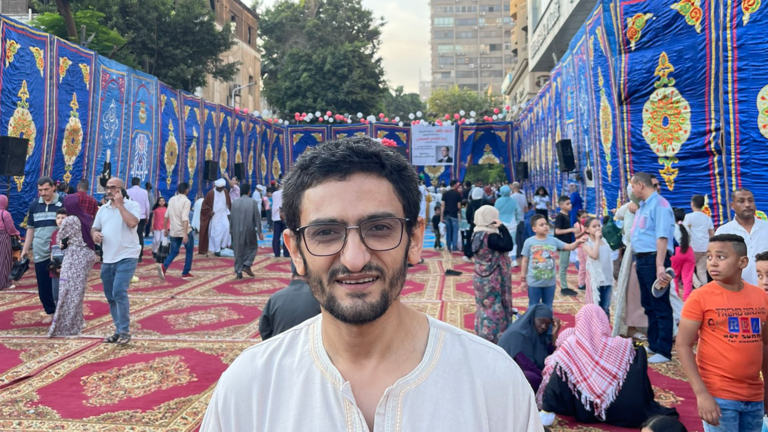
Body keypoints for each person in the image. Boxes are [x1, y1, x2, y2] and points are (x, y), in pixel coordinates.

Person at [201, 137, 542, 431]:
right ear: (295, 251)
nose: (354, 259)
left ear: (414, 240)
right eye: (325, 233)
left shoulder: (494, 382)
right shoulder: (250, 387)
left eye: (379, 228)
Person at [678, 234, 768, 431]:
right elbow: (683, 345)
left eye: (721, 257)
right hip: (719, 395)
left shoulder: (761, 297)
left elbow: (764, 344)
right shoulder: (700, 297)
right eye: (709, 257)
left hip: (755, 396)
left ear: (742, 262)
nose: (713, 262)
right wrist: (702, 394)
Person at [538, 304, 677, 428]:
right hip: (626, 412)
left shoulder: (571, 347)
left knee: (562, 367)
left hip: (586, 411)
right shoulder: (624, 346)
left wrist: (547, 408)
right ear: (603, 322)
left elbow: (556, 383)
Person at [630, 172, 675, 364]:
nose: (632, 190)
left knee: (660, 305)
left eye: (633, 186)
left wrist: (659, 265)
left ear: (640, 185)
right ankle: (655, 343)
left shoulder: (660, 205)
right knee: (648, 304)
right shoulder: (643, 205)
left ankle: (664, 350)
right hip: (643, 259)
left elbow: (662, 237)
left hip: (654, 259)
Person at [92, 178, 141, 345]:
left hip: (127, 255)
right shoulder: (103, 209)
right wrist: (94, 234)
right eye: (107, 188)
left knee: (119, 291)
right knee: (110, 296)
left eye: (113, 188)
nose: (109, 191)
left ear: (122, 190)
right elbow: (95, 227)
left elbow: (132, 223)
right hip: (108, 257)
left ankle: (124, 331)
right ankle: (118, 329)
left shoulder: (132, 205)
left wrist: (120, 205)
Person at [48, 195, 97, 337]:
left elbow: (59, 239)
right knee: (78, 291)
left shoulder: (70, 220)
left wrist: (66, 243)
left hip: (75, 256)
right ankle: (76, 323)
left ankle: (65, 327)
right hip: (87, 255)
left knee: (67, 291)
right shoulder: (86, 217)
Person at [21, 177, 63, 323]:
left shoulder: (62, 203)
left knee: (59, 284)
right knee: (43, 285)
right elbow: (31, 229)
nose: (43, 193)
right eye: (40, 190)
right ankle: (50, 312)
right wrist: (25, 248)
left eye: (46, 189)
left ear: (53, 187)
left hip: (57, 252)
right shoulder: (34, 205)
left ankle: (62, 312)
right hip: (39, 251)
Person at [521, 214, 585, 309]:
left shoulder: (554, 241)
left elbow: (569, 246)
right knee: (533, 306)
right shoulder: (529, 242)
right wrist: (523, 279)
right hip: (534, 282)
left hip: (550, 283)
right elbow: (525, 261)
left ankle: (547, 319)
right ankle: (533, 319)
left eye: (546, 224)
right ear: (534, 229)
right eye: (541, 225)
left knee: (548, 307)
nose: (545, 226)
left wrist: (578, 242)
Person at [471, 205, 514, 343]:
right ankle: (495, 337)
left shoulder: (476, 234)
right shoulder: (491, 237)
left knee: (483, 306)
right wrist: (502, 227)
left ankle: (482, 332)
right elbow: (508, 245)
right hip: (494, 278)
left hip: (480, 276)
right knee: (496, 306)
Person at [498, 304, 560, 392]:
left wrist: (554, 334)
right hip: (506, 373)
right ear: (532, 318)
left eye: (547, 324)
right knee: (532, 378)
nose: (544, 327)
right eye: (541, 321)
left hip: (524, 370)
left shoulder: (538, 335)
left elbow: (550, 357)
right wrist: (545, 377)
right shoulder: (518, 335)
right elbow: (525, 364)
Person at [715, 188, 768, 285]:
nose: (747, 204)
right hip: (737, 289)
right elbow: (718, 263)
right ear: (732, 205)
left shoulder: (766, 227)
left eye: (750, 200)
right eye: (741, 201)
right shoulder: (723, 232)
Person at [259, 263, 321, 340]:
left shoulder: (275, 297)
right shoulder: (319, 297)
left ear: (292, 277)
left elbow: (264, 328)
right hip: (309, 344)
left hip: (280, 345)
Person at [159, 183, 194, 279]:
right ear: (186, 190)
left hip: (174, 230)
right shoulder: (186, 201)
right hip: (185, 230)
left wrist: (165, 228)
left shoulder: (172, 199)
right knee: (189, 251)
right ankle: (185, 272)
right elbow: (184, 218)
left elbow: (166, 215)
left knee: (174, 252)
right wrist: (185, 234)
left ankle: (164, 266)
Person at [582, 218, 615, 317]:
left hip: (607, 279)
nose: (597, 228)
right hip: (595, 281)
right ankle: (595, 327)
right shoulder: (586, 243)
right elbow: (594, 255)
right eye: (594, 226)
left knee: (605, 308)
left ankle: (605, 327)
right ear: (587, 229)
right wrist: (596, 239)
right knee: (595, 308)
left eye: (598, 226)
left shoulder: (604, 240)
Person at [231, 183, 264, 279]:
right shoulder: (252, 202)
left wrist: (231, 231)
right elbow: (257, 218)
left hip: (236, 230)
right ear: (249, 191)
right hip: (249, 229)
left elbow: (231, 218)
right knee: (252, 247)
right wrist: (260, 231)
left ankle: (238, 271)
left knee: (238, 250)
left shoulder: (235, 203)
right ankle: (247, 264)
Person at [684, 194, 715, 288]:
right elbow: (712, 234)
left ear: (692, 204)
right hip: (705, 247)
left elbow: (684, 232)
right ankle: (705, 289)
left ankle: (698, 285)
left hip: (693, 247)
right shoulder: (707, 218)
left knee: (687, 268)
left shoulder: (688, 217)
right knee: (701, 271)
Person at [554, 196, 579, 296]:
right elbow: (557, 231)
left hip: (566, 243)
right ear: (561, 205)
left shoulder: (567, 215)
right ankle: (564, 287)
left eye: (570, 203)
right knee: (563, 265)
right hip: (562, 244)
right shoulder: (560, 216)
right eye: (567, 203)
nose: (570, 205)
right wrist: (571, 230)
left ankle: (564, 286)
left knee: (565, 265)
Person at [199, 179, 232, 256]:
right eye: (219, 188)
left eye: (222, 188)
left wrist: (229, 213)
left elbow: (228, 203)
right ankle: (216, 250)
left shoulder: (225, 191)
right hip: (215, 216)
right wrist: (210, 211)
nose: (220, 190)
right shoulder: (211, 193)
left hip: (224, 214)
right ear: (216, 186)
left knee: (227, 228)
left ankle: (223, 247)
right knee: (217, 233)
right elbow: (204, 206)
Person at [672, 208, 696, 300]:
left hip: (676, 252)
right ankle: (687, 298)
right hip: (689, 251)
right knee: (688, 277)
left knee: (674, 276)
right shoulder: (686, 227)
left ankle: (675, 296)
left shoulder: (672, 227)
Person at [495, 185, 522, 265]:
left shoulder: (498, 201)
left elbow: (495, 212)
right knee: (513, 241)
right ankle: (513, 259)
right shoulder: (513, 201)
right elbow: (518, 211)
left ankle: (501, 258)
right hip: (512, 222)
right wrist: (517, 221)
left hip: (500, 223)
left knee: (500, 239)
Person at [126, 177, 150, 262]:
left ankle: (130, 254)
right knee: (139, 235)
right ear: (139, 183)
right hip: (141, 216)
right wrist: (147, 216)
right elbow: (147, 205)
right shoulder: (144, 192)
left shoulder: (128, 191)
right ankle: (139, 255)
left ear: (131, 183)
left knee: (130, 235)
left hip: (130, 216)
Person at [0, 195, 20, 290]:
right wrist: (16, 233)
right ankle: (5, 283)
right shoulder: (5, 214)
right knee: (5, 260)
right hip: (3, 237)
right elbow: (10, 228)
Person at [49, 208, 67, 304]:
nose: (60, 220)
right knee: (56, 294)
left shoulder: (70, 234)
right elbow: (52, 251)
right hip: (55, 270)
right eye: (58, 218)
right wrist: (53, 265)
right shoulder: (54, 234)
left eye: (63, 218)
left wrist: (64, 267)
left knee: (66, 295)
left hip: (67, 270)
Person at [440, 179, 462, 253]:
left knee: (448, 231)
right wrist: (459, 213)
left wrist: (441, 216)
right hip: (454, 215)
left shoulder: (445, 194)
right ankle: (454, 247)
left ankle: (448, 246)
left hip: (447, 215)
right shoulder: (457, 194)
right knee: (455, 232)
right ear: (455, 185)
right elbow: (459, 206)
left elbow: (442, 205)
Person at [271, 182, 290, 258]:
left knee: (276, 236)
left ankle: (277, 253)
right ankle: (286, 253)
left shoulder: (274, 194)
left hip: (276, 217)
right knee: (286, 236)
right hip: (285, 216)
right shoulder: (288, 193)